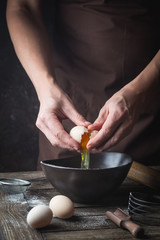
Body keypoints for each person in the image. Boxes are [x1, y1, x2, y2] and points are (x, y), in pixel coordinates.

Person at [6, 0, 160, 169]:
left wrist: (140, 92)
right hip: (68, 96)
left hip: (148, 99)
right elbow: (22, 6)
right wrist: (45, 87)